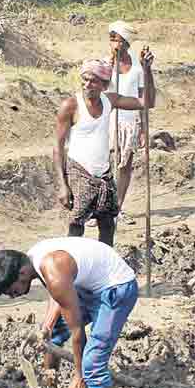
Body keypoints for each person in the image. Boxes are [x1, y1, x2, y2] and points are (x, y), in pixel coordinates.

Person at [0, 237, 139, 388]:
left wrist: (79, 375)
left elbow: (77, 332)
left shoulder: (52, 268)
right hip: (89, 285)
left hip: (116, 289)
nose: (12, 297)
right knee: (54, 333)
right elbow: (58, 292)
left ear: (22, 273)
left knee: (92, 364)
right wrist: (47, 326)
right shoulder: (35, 259)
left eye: (11, 290)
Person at [53, 50, 155, 246]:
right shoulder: (71, 106)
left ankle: (106, 261)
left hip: (104, 174)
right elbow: (57, 147)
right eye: (85, 79)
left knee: (108, 225)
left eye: (93, 81)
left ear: (104, 85)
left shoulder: (109, 101)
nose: (87, 85)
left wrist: (146, 70)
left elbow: (147, 102)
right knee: (76, 226)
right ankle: (73, 261)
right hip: (79, 172)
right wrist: (62, 185)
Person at [107, 21, 151, 224]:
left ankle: (117, 207)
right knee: (106, 165)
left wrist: (143, 129)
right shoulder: (105, 64)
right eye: (111, 39)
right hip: (108, 120)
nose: (114, 44)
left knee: (124, 165)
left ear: (126, 42)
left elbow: (143, 100)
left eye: (117, 40)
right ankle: (102, 207)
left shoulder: (138, 68)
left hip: (129, 122)